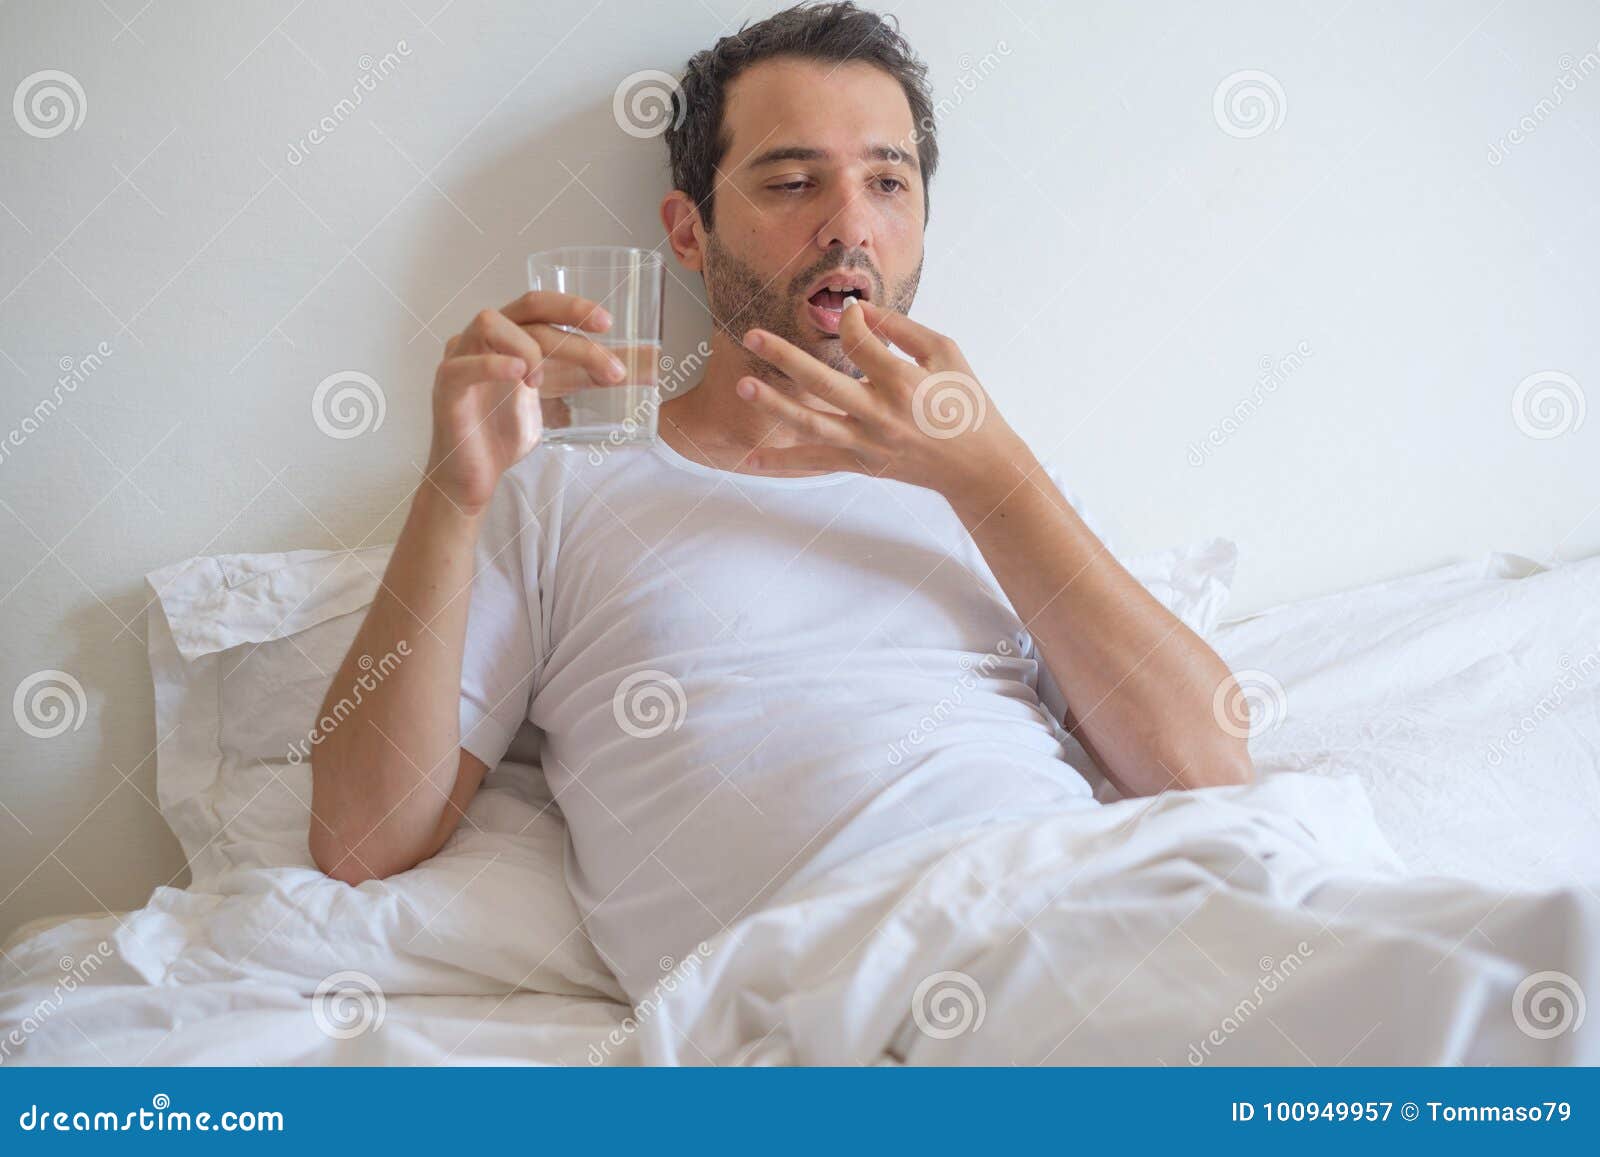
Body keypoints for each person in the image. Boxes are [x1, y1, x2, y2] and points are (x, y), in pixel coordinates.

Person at [308, 1, 1252, 1001]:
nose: (849, 223)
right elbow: (361, 840)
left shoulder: (987, 475)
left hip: (1096, 923)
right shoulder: (560, 485)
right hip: (835, 999)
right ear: (688, 230)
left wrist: (991, 477)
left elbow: (1210, 769)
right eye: (793, 181)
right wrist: (449, 495)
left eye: (888, 181)